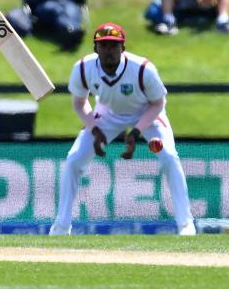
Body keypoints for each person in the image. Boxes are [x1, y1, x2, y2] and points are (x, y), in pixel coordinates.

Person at [49, 23, 195, 236]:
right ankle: (61, 227)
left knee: (169, 156)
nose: (109, 50)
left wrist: (136, 132)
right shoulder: (83, 68)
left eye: (114, 46)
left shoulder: (143, 69)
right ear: (95, 49)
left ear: (123, 48)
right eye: (104, 45)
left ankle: (185, 224)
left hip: (146, 112)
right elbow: (79, 103)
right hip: (107, 113)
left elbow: (158, 103)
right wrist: (94, 128)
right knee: (74, 159)